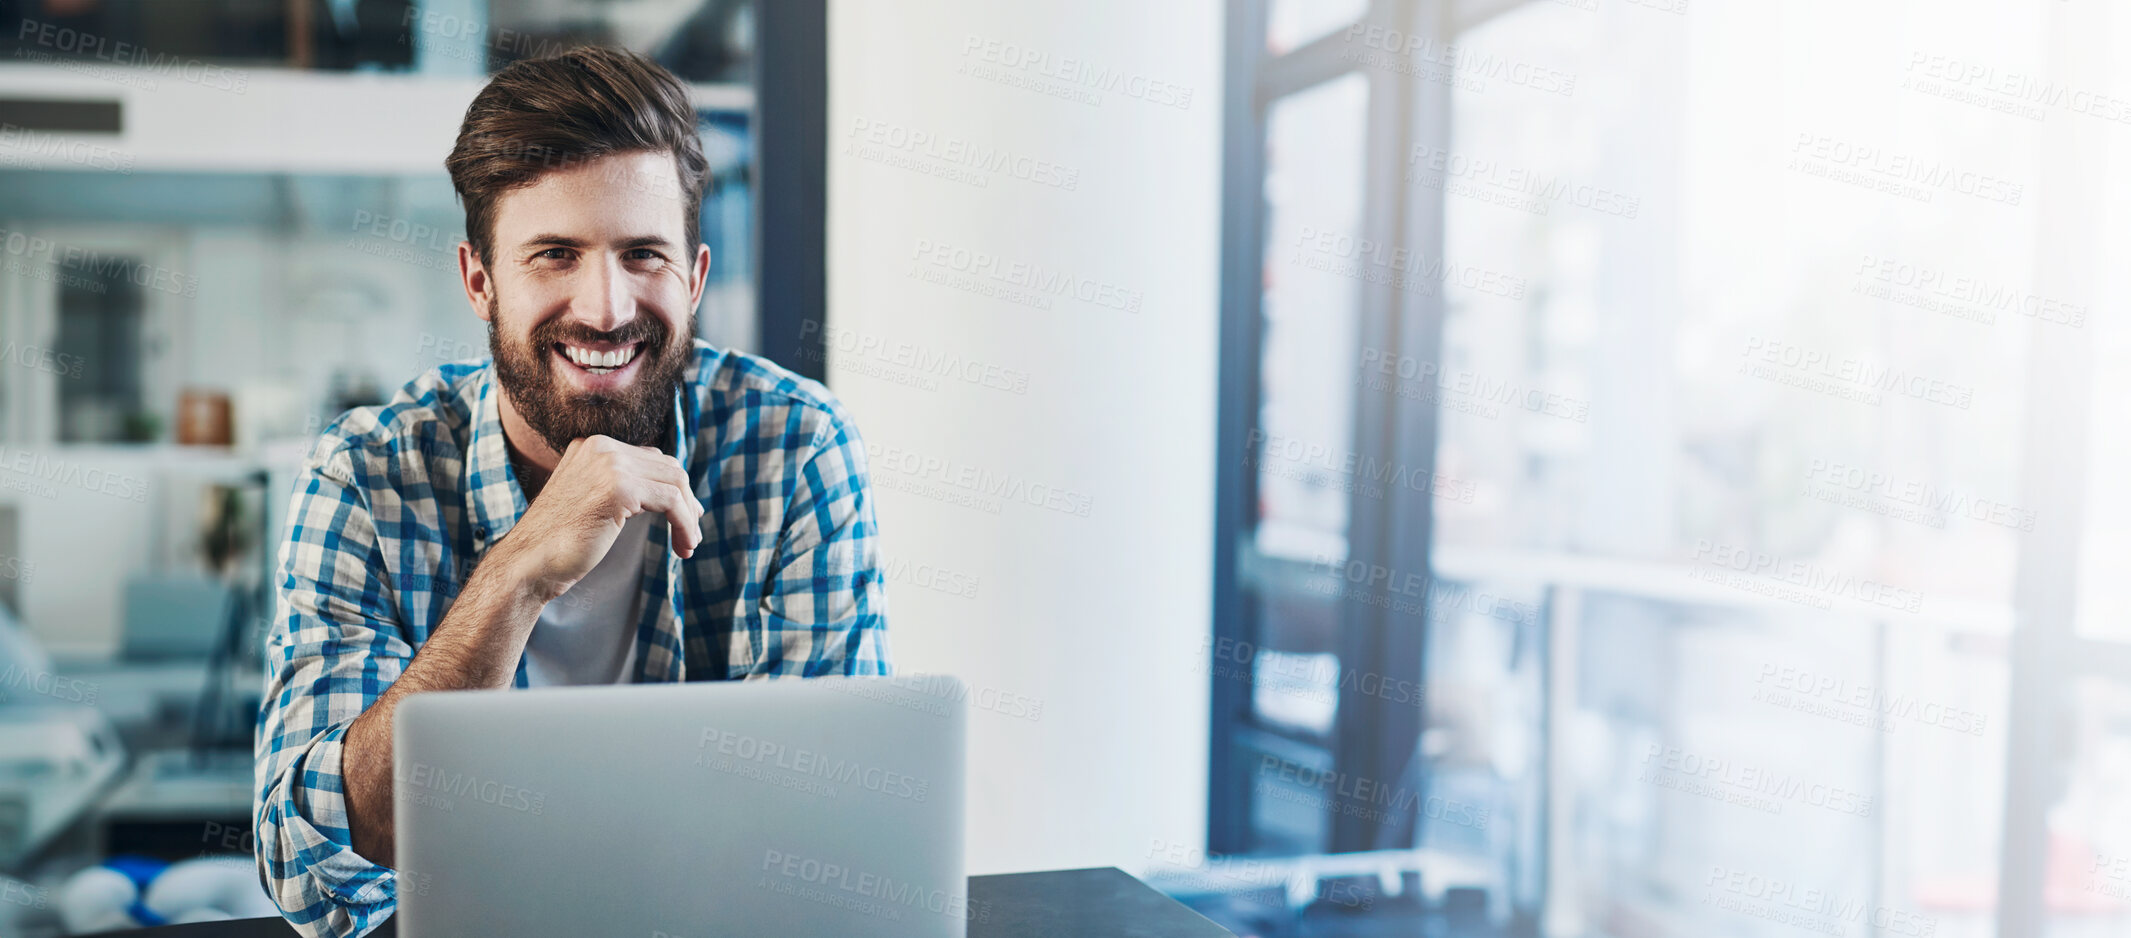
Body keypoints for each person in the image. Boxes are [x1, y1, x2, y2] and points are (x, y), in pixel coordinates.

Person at [252, 46, 891, 938]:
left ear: (694, 277)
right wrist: (518, 572)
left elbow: (833, 843)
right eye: (555, 255)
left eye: (643, 255)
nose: (603, 307)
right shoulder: (364, 476)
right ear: (480, 280)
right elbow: (312, 873)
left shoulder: (793, 449)